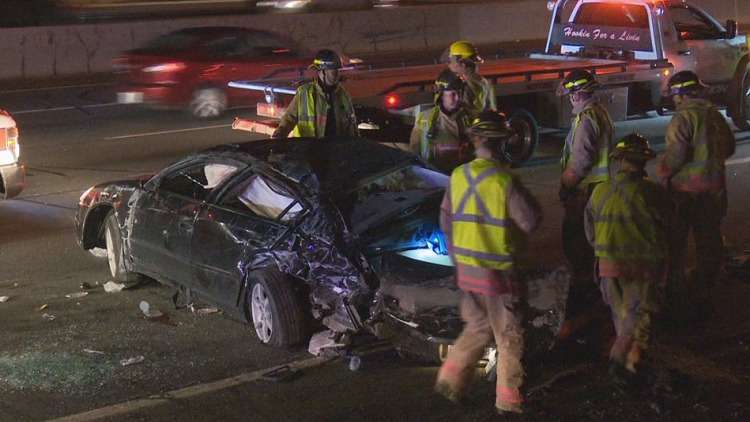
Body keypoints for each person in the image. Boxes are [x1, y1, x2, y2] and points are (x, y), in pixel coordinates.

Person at [435, 111, 542, 415]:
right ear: (503, 142)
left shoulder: (458, 176)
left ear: (474, 140)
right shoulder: (504, 180)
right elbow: (531, 221)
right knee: (508, 337)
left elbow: (446, 221)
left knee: (477, 327)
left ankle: (450, 381)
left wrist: (457, 260)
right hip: (497, 276)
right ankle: (508, 403)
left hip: (466, 272)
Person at [584, 133, 673, 387]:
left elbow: (590, 231)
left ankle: (628, 366)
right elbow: (669, 226)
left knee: (622, 316)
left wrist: (603, 248)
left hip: (608, 267)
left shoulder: (600, 191)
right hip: (643, 267)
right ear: (643, 161)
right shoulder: (653, 192)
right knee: (640, 317)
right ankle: (623, 364)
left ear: (619, 160)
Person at [654, 71, 735, 305]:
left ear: (680, 95)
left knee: (676, 240)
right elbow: (728, 147)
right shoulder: (714, 115)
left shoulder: (683, 118)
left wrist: (662, 174)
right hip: (714, 190)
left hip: (686, 193)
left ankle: (673, 286)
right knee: (709, 239)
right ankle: (706, 283)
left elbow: (675, 156)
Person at [557, 69, 615, 302]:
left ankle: (586, 288)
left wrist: (566, 184)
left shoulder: (586, 119)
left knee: (576, 241)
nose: (569, 98)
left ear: (577, 94)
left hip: (585, 191)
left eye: (570, 93)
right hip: (597, 188)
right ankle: (595, 286)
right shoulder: (599, 113)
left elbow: (581, 160)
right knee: (589, 242)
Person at [272, 49, 359, 138]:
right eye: (333, 72)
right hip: (308, 149)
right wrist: (278, 136)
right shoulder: (304, 93)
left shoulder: (342, 94)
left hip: (335, 149)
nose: (337, 75)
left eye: (337, 71)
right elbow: (288, 120)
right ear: (322, 72)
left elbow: (351, 125)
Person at [409, 69, 472, 173]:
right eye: (452, 94)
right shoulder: (424, 119)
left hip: (461, 177)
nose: (457, 98)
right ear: (441, 95)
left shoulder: (469, 119)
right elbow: (414, 152)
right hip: (433, 176)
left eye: (459, 93)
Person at [446, 41, 496, 118]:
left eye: (451, 61)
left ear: (462, 65)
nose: (449, 65)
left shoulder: (465, 85)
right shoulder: (483, 81)